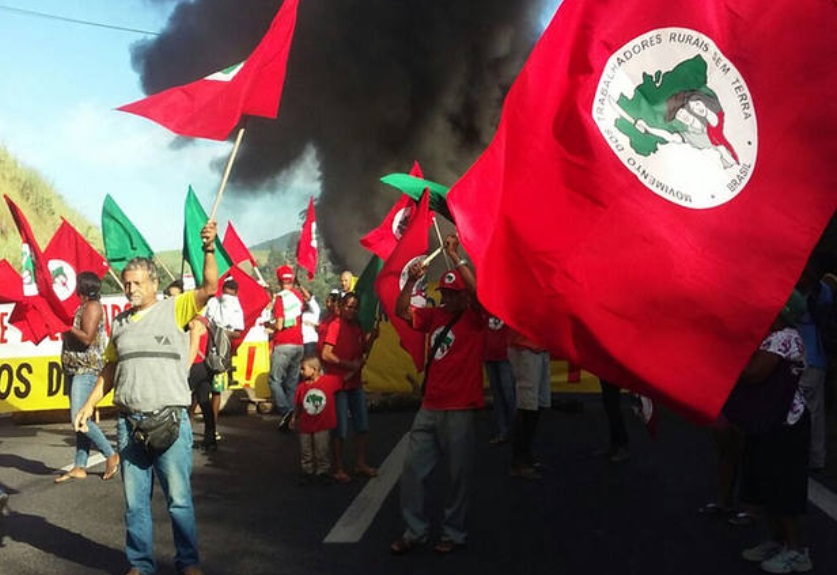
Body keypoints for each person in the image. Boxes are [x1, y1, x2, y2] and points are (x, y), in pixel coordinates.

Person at [74, 220, 218, 575]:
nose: (130, 289)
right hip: (129, 423)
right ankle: (140, 564)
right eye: (126, 283)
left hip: (170, 420)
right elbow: (109, 370)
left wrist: (210, 248)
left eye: (138, 283)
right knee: (134, 503)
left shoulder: (176, 308)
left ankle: (188, 562)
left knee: (179, 501)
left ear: (155, 283)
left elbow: (211, 286)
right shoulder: (120, 323)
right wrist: (89, 404)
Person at [390, 234, 485, 555]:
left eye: (451, 294)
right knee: (413, 472)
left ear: (463, 297)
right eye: (443, 292)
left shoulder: (475, 318)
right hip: (430, 406)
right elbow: (401, 310)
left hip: (460, 408)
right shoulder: (434, 316)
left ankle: (453, 532)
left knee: (459, 477)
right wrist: (411, 282)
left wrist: (456, 256)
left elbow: (478, 293)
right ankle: (414, 531)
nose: (445, 298)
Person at [723, 290, 813, 573]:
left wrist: (729, 359)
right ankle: (778, 541)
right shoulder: (769, 337)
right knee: (766, 484)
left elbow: (754, 372)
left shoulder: (784, 337)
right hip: (768, 421)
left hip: (786, 424)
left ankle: (797, 551)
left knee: (782, 486)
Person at [55, 271, 120, 483]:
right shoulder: (82, 307)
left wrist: (65, 326)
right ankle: (80, 465)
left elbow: (87, 338)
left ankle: (110, 454)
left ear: (82, 287)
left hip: (86, 369)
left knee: (79, 417)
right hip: (74, 368)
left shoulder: (92, 307)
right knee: (82, 418)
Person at [320, 292, 377, 483]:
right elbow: (326, 354)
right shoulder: (335, 326)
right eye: (348, 306)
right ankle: (338, 467)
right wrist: (347, 365)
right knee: (340, 428)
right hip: (339, 383)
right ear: (342, 306)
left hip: (355, 382)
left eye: (354, 307)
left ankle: (360, 463)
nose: (351, 310)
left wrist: (372, 339)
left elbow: (362, 351)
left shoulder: (357, 326)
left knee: (362, 425)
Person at [266, 265, 308, 430]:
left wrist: (269, 325)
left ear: (278, 280)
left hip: (283, 344)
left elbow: (279, 324)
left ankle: (286, 409)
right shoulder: (297, 296)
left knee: (274, 380)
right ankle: (292, 417)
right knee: (291, 383)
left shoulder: (281, 298)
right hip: (299, 344)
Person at [289, 356, 342, 485]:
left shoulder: (328, 381)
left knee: (321, 449)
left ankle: (322, 471)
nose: (301, 372)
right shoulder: (301, 387)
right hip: (306, 424)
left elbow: (343, 380)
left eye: (304, 369)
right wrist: (294, 418)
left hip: (322, 424)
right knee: (306, 450)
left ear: (315, 369)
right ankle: (308, 471)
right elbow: (299, 405)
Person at [203, 277, 245, 441]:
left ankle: (212, 427)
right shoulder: (213, 303)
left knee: (216, 391)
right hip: (206, 349)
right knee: (204, 390)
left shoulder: (235, 307)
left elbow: (237, 332)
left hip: (221, 353)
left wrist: (222, 333)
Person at [507, 329, 550, 479]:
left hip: (540, 347)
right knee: (527, 406)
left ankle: (525, 455)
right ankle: (518, 461)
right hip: (524, 348)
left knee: (538, 404)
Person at [186, 316, 217, 453]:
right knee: (205, 403)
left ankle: (183, 439)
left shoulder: (194, 324)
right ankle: (210, 440)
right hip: (206, 367)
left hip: (195, 366)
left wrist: (185, 367)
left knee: (184, 403)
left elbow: (193, 347)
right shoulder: (205, 322)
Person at [483, 315, 514, 445]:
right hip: (489, 355)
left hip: (505, 356)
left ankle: (514, 431)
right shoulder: (483, 307)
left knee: (509, 395)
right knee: (498, 396)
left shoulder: (504, 305)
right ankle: (503, 431)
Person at [598, 379, 631, 463]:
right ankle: (615, 445)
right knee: (609, 405)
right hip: (607, 372)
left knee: (613, 407)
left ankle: (622, 446)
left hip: (613, 374)